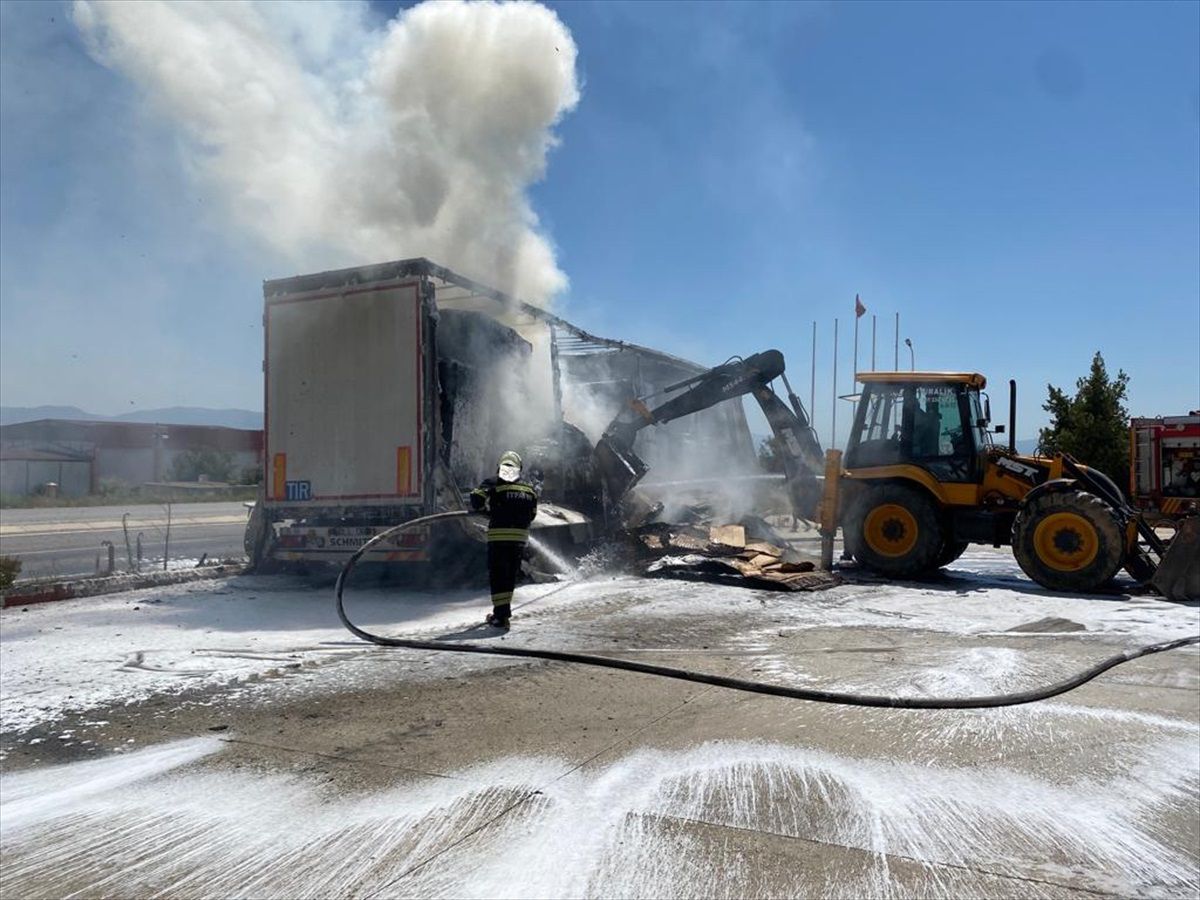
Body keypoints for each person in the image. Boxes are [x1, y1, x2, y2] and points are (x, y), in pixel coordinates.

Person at [469, 450, 539, 629]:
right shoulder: (528, 489)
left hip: (499, 538)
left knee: (498, 577)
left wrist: (485, 510)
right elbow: (532, 515)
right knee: (509, 577)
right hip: (519, 541)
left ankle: (500, 617)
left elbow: (476, 499)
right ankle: (503, 613)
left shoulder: (493, 482)